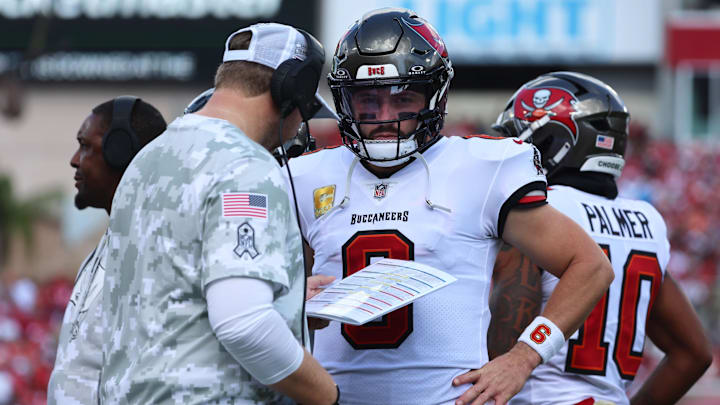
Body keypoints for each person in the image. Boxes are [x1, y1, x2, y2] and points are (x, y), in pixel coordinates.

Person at [286, 8, 614, 405]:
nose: (386, 117)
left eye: (403, 98)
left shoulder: (481, 168)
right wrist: (291, 303)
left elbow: (591, 266)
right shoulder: (304, 176)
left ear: (434, 96)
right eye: (368, 100)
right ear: (344, 100)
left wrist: (524, 357)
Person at [99, 23, 339, 404]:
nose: (299, 126)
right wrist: (330, 396)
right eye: (306, 107)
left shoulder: (147, 160)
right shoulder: (246, 166)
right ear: (292, 90)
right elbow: (244, 324)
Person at [490, 71, 713, 405]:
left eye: (517, 140)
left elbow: (499, 354)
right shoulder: (646, 221)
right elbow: (693, 353)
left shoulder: (540, 210)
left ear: (553, 142)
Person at [47, 96, 167, 404]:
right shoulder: (112, 240)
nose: (74, 159)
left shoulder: (155, 249)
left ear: (119, 152)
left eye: (85, 146)